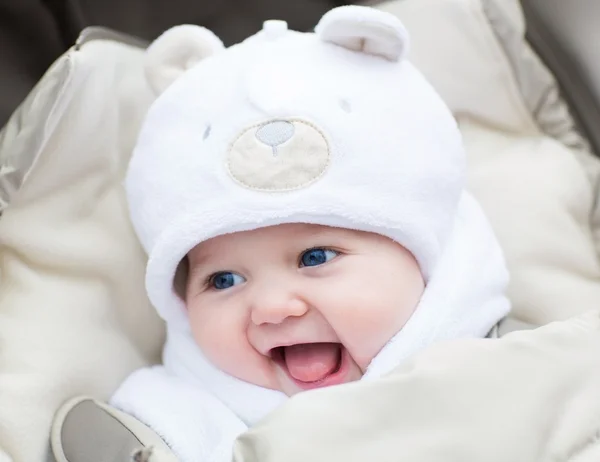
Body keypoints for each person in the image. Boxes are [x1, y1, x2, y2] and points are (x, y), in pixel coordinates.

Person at [110, 5, 510, 461]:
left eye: (316, 257)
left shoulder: (513, 374)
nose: (272, 308)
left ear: (422, 259)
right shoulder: (173, 424)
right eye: (223, 280)